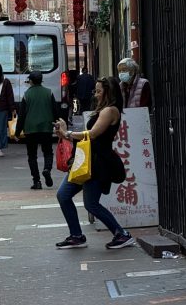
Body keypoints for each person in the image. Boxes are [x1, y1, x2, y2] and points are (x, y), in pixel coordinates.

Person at [54, 76, 135, 250]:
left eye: (99, 91)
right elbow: (87, 135)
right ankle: (76, 235)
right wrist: (64, 133)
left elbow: (92, 134)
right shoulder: (102, 110)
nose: (96, 95)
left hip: (98, 163)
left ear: (108, 92)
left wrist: (67, 133)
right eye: (95, 91)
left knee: (91, 204)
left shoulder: (110, 111)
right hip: (86, 159)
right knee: (63, 195)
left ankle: (121, 234)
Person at [16, 71, 58, 189]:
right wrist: (58, 125)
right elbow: (55, 111)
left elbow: (22, 115)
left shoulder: (26, 94)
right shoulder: (49, 93)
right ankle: (47, 169)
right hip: (46, 127)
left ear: (31, 81)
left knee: (32, 156)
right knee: (48, 152)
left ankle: (37, 181)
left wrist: (17, 133)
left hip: (30, 128)